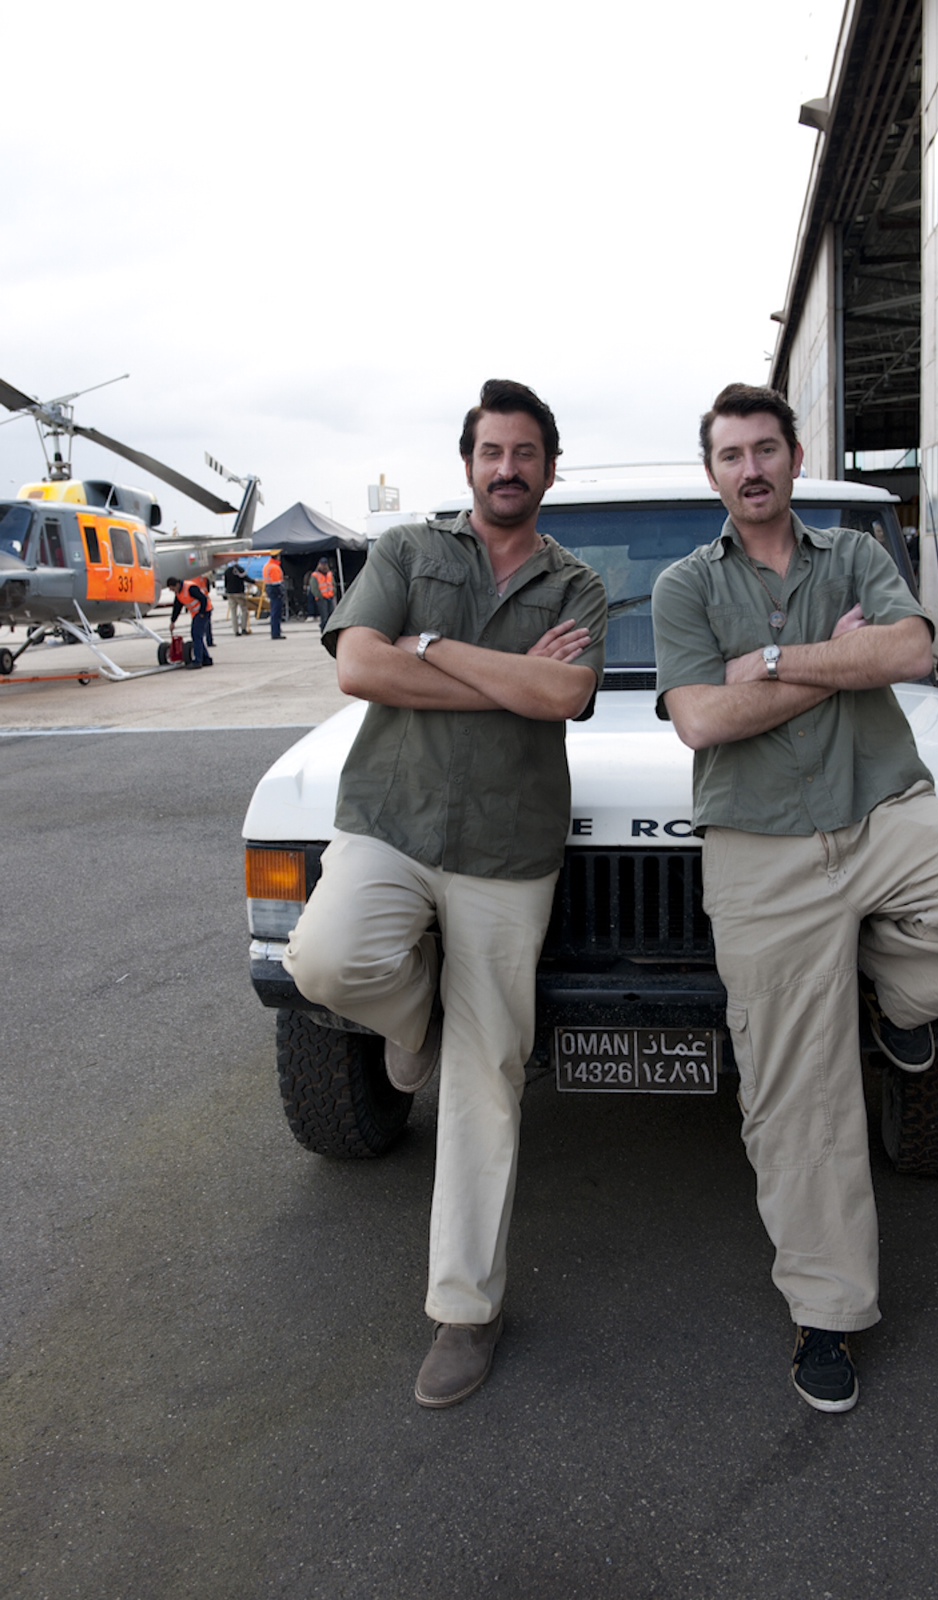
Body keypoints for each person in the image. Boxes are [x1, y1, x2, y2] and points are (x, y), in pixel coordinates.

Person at [651, 383, 938, 1414]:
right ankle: (827, 1311)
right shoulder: (682, 586)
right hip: (758, 851)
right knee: (798, 1101)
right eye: (731, 454)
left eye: (766, 448)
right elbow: (701, 719)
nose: (751, 468)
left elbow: (912, 651)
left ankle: (895, 995)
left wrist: (778, 660)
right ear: (713, 473)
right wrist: (840, 662)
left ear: (795, 456)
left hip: (882, 811)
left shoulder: (860, 554)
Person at [284, 379, 607, 1408]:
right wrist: (497, 671)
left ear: (549, 469)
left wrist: (432, 649)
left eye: (525, 453)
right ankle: (406, 1018)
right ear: (468, 462)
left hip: (511, 849)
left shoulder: (578, 583)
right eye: (491, 451)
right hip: (392, 815)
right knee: (324, 958)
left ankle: (464, 1311)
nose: (507, 467)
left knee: (485, 1080)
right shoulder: (406, 553)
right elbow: (358, 669)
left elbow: (565, 695)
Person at [166, 574, 213, 668]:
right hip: (196, 614)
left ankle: (198, 661)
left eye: (172, 589)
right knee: (196, 635)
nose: (173, 591)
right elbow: (177, 608)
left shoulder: (190, 588)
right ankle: (206, 659)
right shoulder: (179, 593)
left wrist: (202, 613)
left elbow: (203, 599)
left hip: (204, 612)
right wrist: (172, 622)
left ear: (177, 585)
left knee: (196, 635)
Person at [306, 557, 337, 631]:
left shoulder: (329, 574)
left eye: (325, 564)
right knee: (324, 616)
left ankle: (329, 630)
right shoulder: (315, 575)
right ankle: (323, 630)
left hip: (330, 596)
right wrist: (319, 596)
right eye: (322, 564)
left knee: (331, 615)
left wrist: (333, 592)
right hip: (321, 598)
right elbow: (314, 587)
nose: (324, 566)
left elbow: (333, 584)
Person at [224, 561, 252, 636]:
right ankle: (243, 628)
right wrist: (254, 582)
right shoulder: (239, 569)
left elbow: (225, 583)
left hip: (230, 593)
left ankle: (235, 630)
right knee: (244, 610)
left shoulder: (227, 570)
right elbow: (245, 578)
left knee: (233, 612)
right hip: (239, 592)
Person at [263, 551, 286, 639]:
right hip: (276, 591)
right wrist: (281, 593)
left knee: (274, 612)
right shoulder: (275, 568)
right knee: (276, 613)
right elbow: (277, 583)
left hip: (270, 590)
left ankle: (275, 631)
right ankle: (276, 633)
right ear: (277, 557)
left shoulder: (267, 566)